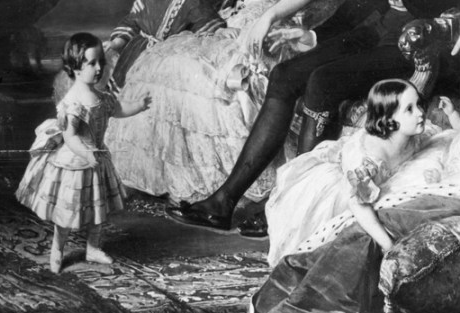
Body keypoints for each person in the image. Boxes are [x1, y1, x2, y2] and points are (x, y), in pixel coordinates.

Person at [166, 0, 460, 234]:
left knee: (323, 82)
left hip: (422, 38)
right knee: (285, 75)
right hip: (378, 29)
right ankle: (224, 202)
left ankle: (294, 205)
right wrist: (310, 34)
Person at [104, 0, 336, 208]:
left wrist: (267, 17)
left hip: (286, 22)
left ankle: (221, 191)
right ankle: (182, 182)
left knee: (216, 76)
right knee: (174, 63)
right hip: (247, 19)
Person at [16, 32, 151, 273]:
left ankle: (93, 247)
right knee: (66, 215)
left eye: (101, 61)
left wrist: (139, 106)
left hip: (96, 162)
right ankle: (58, 249)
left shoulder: (102, 97)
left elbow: (118, 108)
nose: (99, 68)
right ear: (76, 68)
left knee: (99, 209)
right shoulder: (73, 102)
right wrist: (86, 154)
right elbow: (70, 136)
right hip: (75, 165)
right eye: (92, 63)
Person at [264, 78, 429, 267]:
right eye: (410, 109)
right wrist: (388, 245)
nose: (420, 113)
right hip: (342, 191)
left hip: (380, 180)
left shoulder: (411, 136)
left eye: (419, 105)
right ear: (389, 119)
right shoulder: (368, 161)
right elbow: (358, 204)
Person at [104, 0, 226, 89]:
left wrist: (219, 30)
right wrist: (117, 42)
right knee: (128, 88)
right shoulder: (144, 2)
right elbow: (131, 22)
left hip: (169, 53)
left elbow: (203, 18)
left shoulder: (189, 2)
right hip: (138, 51)